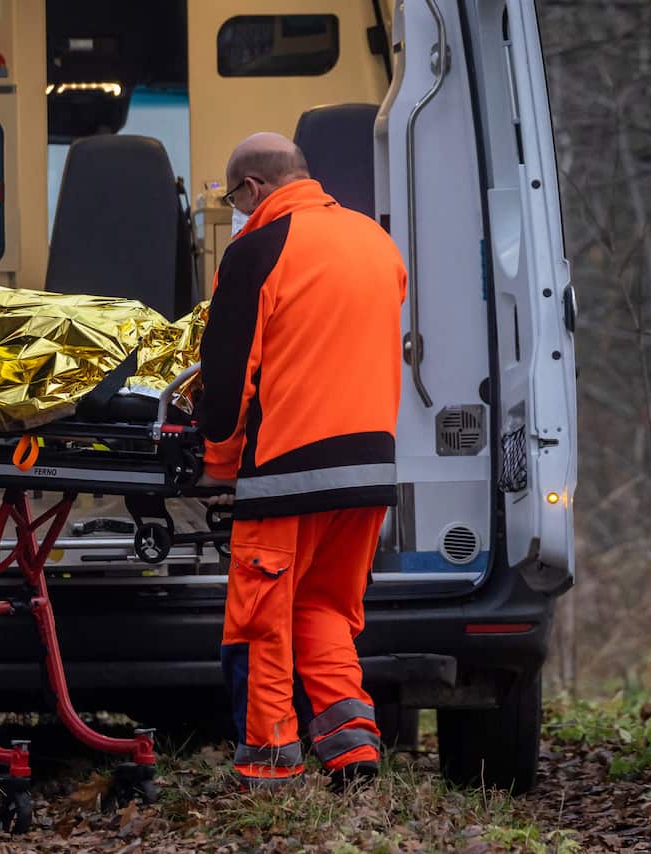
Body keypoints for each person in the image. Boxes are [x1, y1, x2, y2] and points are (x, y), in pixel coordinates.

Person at [198, 132, 406, 790]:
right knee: (324, 612)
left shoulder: (257, 249)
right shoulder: (377, 242)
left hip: (288, 470)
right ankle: (354, 756)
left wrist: (220, 463)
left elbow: (228, 376)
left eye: (235, 198)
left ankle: (267, 768)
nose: (236, 210)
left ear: (253, 188)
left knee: (261, 621)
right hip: (370, 469)